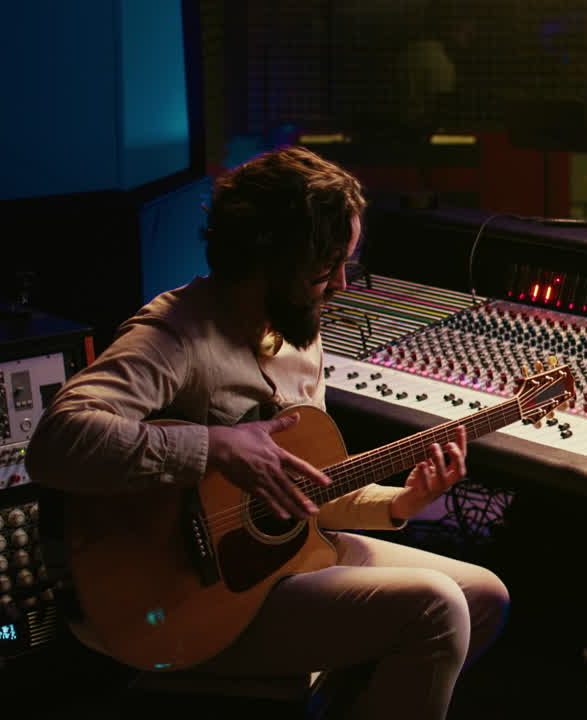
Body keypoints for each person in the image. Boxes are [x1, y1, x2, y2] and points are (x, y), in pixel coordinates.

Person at [26, 146, 509, 720]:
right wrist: (216, 447)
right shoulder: (176, 333)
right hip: (188, 596)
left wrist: (403, 501)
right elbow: (58, 442)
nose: (341, 283)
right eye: (324, 267)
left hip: (272, 571)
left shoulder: (298, 331)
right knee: (434, 608)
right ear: (266, 257)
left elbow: (303, 495)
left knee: (483, 596)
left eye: (345, 262)